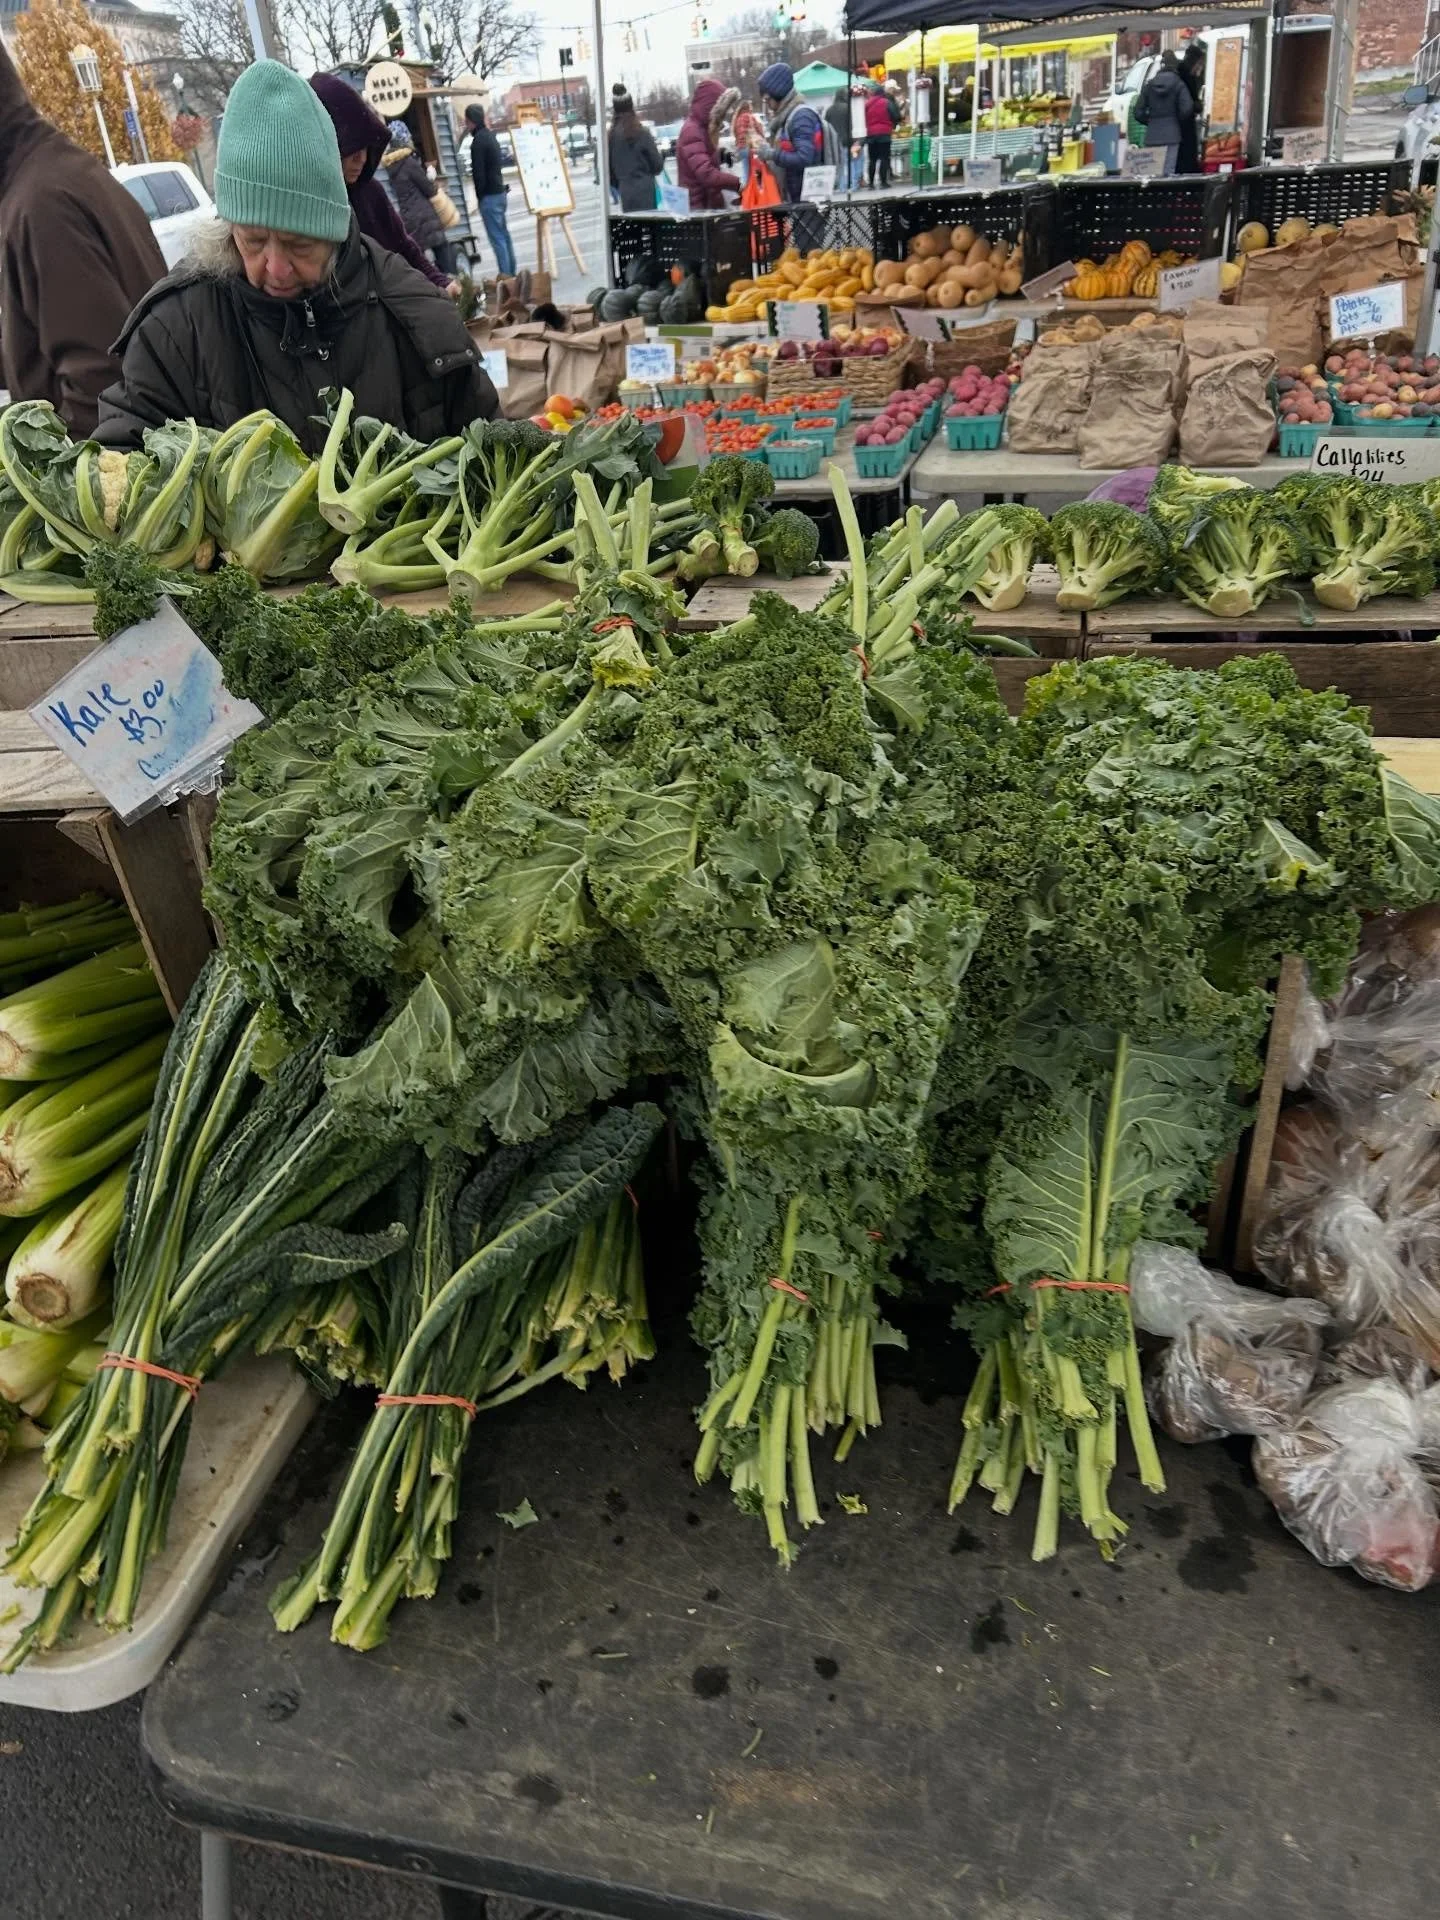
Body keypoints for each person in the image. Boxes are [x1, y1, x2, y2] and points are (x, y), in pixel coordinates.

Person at [95, 60, 496, 453]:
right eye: (252, 241)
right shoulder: (174, 332)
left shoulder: (413, 310)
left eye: (299, 244)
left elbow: (491, 450)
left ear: (334, 233)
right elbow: (123, 460)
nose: (275, 267)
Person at [0, 40, 164, 436]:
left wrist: (45, 488)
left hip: (115, 482)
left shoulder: (42, 207)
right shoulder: (54, 172)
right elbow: (49, 345)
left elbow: (99, 391)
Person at [310, 72, 454, 294]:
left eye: (367, 148)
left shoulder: (371, 191)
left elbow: (403, 246)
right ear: (328, 145)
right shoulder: (309, 206)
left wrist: (440, 281)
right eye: (352, 149)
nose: (363, 159)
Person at [383, 119, 459, 278]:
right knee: (443, 251)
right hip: (425, 215)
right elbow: (427, 188)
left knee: (421, 260)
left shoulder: (391, 167)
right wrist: (431, 176)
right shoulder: (409, 162)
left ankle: (431, 288)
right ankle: (453, 284)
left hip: (408, 218)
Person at [756, 63, 825, 204]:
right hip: (796, 195)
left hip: (806, 198)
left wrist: (772, 154)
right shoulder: (787, 116)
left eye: (767, 99)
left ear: (778, 93)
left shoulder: (801, 117)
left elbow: (805, 158)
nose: (767, 104)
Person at [463, 104, 517, 279]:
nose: (466, 125)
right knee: (504, 235)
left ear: (471, 121)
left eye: (466, 121)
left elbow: (479, 175)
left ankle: (506, 277)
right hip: (500, 192)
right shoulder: (492, 137)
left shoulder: (477, 142)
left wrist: (479, 198)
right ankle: (512, 272)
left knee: (497, 239)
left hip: (489, 196)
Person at [677, 78, 741, 209]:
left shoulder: (702, 128)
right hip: (699, 209)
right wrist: (738, 184)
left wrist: (721, 155)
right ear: (710, 107)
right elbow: (706, 174)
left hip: (707, 206)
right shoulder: (691, 130)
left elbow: (703, 155)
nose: (723, 117)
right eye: (721, 112)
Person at [1134, 50, 1194, 174]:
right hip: (1172, 134)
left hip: (1152, 135)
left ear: (1162, 65)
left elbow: (1138, 112)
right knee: (1169, 171)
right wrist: (1176, 120)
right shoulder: (1178, 84)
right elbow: (1187, 107)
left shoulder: (1149, 85)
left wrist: (1150, 120)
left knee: (1153, 173)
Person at [608, 86, 663, 212]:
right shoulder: (641, 132)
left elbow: (610, 173)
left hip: (625, 192)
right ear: (631, 107)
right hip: (646, 190)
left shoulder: (611, 137)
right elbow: (657, 165)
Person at [1177, 42, 1206, 174]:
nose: (1200, 67)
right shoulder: (1188, 77)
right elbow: (1190, 103)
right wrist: (1198, 105)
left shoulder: (1179, 73)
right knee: (1188, 156)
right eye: (1199, 63)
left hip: (1179, 124)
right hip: (1186, 124)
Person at [865, 82, 896, 187]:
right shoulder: (886, 102)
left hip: (871, 134)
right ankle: (883, 182)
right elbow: (894, 115)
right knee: (884, 158)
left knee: (872, 159)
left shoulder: (867, 104)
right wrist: (892, 124)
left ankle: (871, 183)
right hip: (884, 134)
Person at [732, 96, 763, 183]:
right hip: (749, 147)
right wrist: (762, 139)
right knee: (755, 171)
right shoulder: (749, 117)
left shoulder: (737, 119)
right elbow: (759, 130)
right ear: (748, 107)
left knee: (746, 171)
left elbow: (735, 133)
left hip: (740, 148)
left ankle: (746, 191)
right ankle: (749, 192)